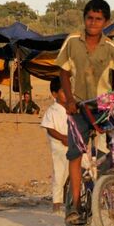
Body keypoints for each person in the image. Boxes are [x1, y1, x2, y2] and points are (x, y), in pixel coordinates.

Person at [56, 0, 114, 223]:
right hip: (78, 105)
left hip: (105, 106)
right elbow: (63, 71)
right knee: (75, 153)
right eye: (90, 18)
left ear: (105, 21)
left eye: (98, 19)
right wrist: (68, 99)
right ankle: (75, 205)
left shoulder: (110, 46)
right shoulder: (72, 41)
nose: (93, 22)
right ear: (84, 19)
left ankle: (103, 182)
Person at [40, 77, 68, 212]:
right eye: (64, 91)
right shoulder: (51, 111)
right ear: (55, 94)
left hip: (73, 146)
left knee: (84, 170)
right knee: (59, 175)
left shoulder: (71, 109)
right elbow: (49, 129)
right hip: (59, 148)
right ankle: (57, 204)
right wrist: (62, 137)